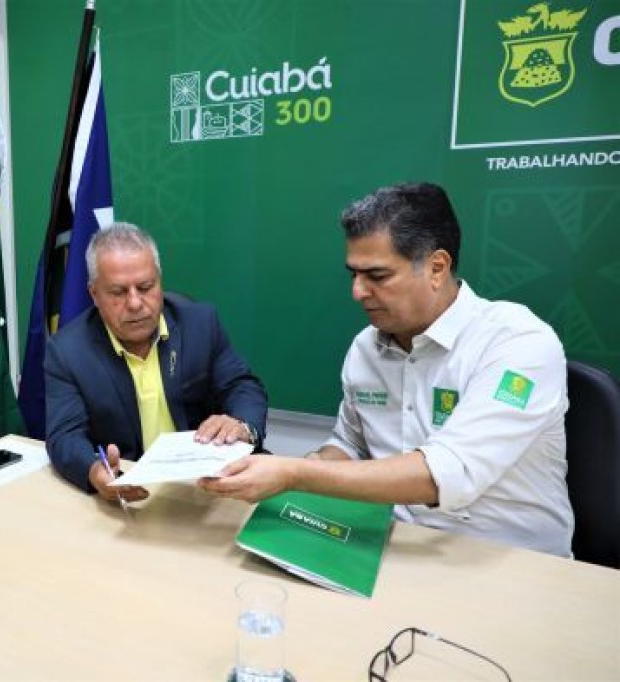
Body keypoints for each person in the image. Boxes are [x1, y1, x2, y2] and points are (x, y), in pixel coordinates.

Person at [201, 182, 574, 556]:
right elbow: (350, 445)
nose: (358, 292)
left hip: (507, 560)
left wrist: (292, 474)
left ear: (437, 268)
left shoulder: (518, 342)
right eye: (353, 275)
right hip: (390, 547)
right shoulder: (367, 347)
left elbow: (445, 473)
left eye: (377, 277)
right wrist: (299, 466)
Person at [45, 222, 268, 502]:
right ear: (94, 294)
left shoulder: (199, 323)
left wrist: (242, 425)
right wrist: (94, 471)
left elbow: (242, 386)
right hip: (134, 490)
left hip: (208, 484)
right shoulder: (68, 351)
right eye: (118, 292)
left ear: (159, 282)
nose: (135, 303)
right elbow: (65, 436)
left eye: (145, 287)